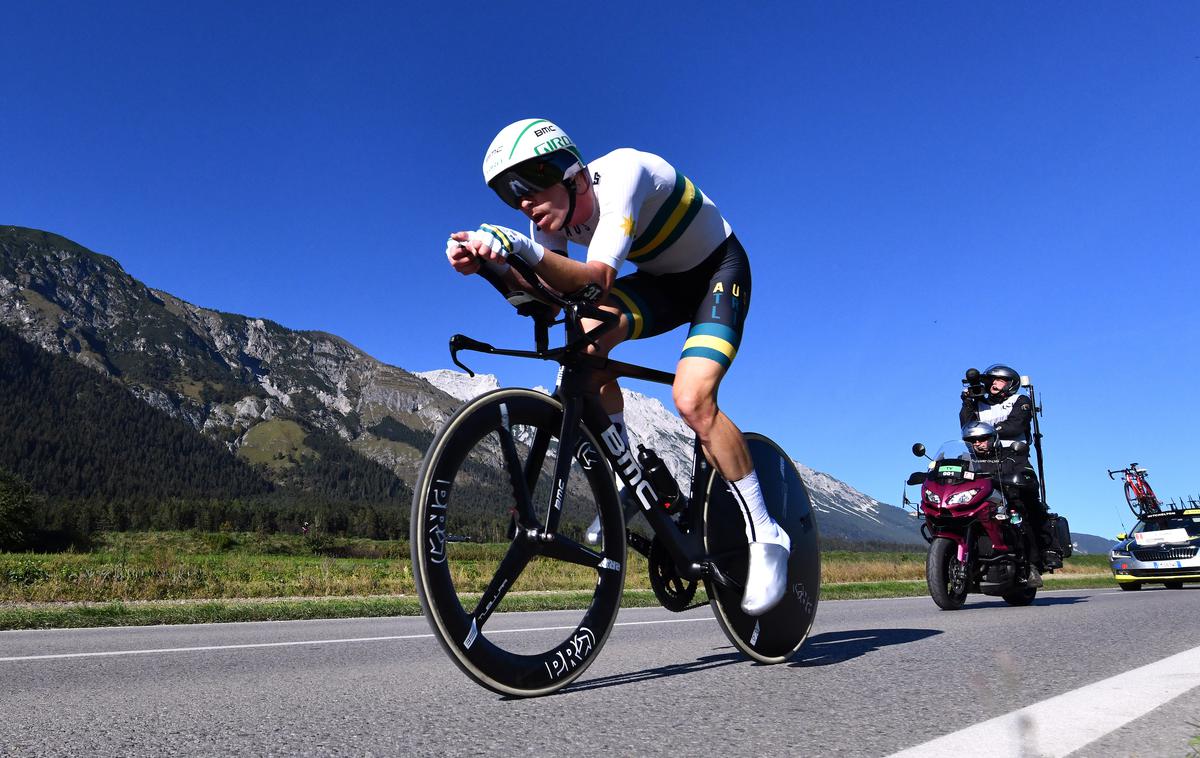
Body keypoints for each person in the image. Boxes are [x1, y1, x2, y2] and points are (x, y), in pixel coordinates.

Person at [445, 118, 789, 615]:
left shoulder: (624, 173)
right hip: (662, 284)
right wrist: (491, 268)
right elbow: (547, 301)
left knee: (692, 399)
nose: (521, 202)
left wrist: (520, 250)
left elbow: (594, 282)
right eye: (507, 195)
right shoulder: (547, 220)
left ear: (569, 171)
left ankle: (767, 533)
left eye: (526, 184)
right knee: (583, 342)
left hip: (718, 271)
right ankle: (631, 477)